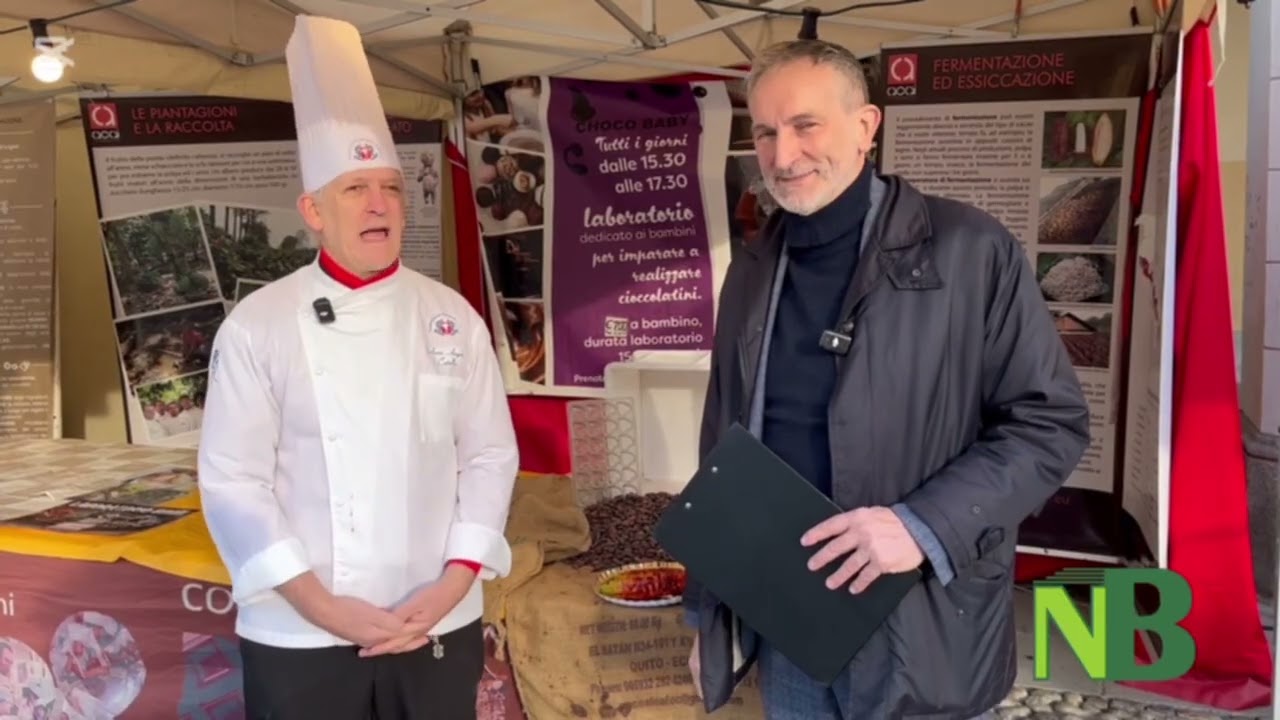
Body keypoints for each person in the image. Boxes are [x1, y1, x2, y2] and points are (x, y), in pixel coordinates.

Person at [682, 39, 1090, 720]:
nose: (783, 155)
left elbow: (1049, 424)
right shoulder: (752, 270)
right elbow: (722, 450)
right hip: (790, 624)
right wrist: (709, 611)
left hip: (920, 622)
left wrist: (923, 525)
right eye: (767, 132)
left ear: (865, 126)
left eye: (806, 125)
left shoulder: (970, 251)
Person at [196, 15, 518, 720]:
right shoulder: (258, 325)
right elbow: (233, 482)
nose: (378, 204)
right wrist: (322, 606)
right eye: (354, 189)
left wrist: (454, 582)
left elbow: (490, 456)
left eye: (390, 188)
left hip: (437, 621)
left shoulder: (452, 317)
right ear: (312, 210)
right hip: (300, 631)